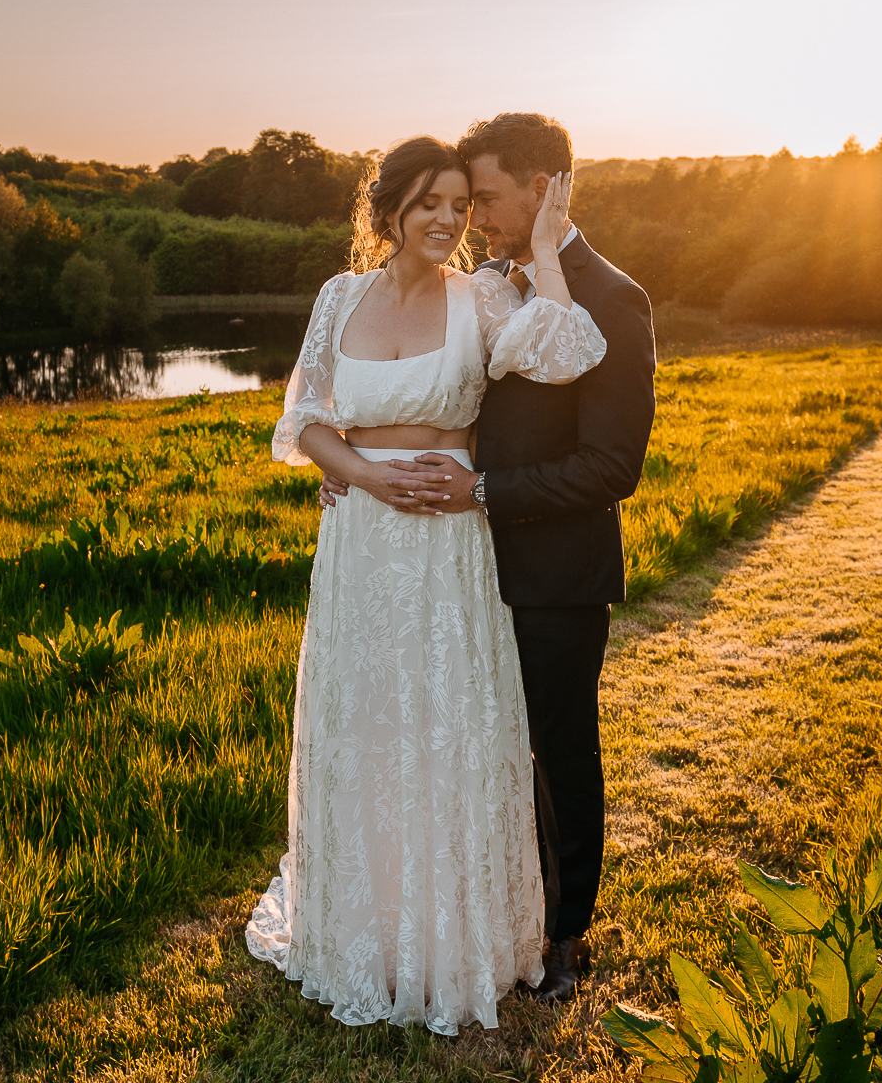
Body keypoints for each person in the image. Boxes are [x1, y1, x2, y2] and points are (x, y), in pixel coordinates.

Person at [244, 135, 607, 1034]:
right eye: (431, 204)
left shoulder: (482, 298)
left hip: (450, 549)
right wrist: (363, 475)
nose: (450, 221)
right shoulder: (339, 298)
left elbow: (563, 350)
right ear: (392, 209)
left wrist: (551, 253)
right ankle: (368, 932)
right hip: (361, 546)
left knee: (449, 726)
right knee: (366, 723)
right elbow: (305, 422)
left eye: (461, 204)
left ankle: (457, 939)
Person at [320, 113, 657, 1004]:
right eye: (459, 203)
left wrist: (478, 493)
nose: (473, 222)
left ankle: (566, 932)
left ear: (543, 191)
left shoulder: (611, 296)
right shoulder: (486, 284)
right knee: (461, 745)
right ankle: (458, 910)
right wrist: (356, 464)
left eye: (487, 201)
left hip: (549, 570)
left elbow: (610, 466)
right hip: (444, 563)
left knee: (556, 747)